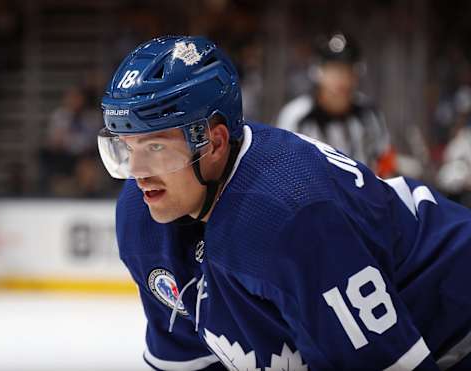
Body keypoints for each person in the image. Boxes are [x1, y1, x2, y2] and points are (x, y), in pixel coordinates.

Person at [97, 36, 471, 370]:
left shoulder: (287, 215)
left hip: (454, 318)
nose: (138, 172)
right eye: (125, 148)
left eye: (156, 147)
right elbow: (186, 359)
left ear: (214, 142)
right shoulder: (139, 219)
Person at [276, 33, 396, 178]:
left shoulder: (370, 114)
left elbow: (385, 164)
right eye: (332, 69)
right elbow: (281, 168)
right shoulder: (296, 115)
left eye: (347, 69)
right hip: (309, 197)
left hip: (361, 197)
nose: (340, 78)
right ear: (318, 72)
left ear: (357, 73)